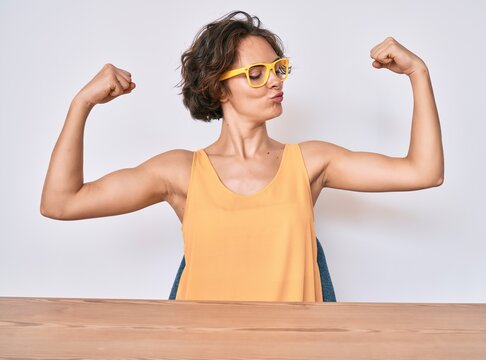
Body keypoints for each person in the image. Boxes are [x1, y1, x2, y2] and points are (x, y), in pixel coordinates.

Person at [40, 10, 444, 303]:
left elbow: (424, 172)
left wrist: (418, 73)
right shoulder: (180, 172)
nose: (275, 82)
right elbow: (61, 203)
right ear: (218, 89)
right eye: (257, 73)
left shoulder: (311, 162)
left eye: (279, 68)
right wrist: (81, 104)